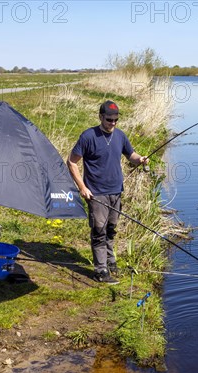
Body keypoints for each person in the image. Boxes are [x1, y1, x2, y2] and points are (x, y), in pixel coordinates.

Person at [67, 100, 148, 284]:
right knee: (99, 230)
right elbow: (71, 162)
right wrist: (82, 187)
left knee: (111, 230)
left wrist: (141, 159)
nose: (113, 123)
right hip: (96, 193)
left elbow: (131, 155)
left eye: (116, 120)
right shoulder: (88, 137)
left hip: (116, 191)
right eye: (109, 119)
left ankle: (110, 262)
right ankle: (100, 271)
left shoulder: (120, 136)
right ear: (101, 117)